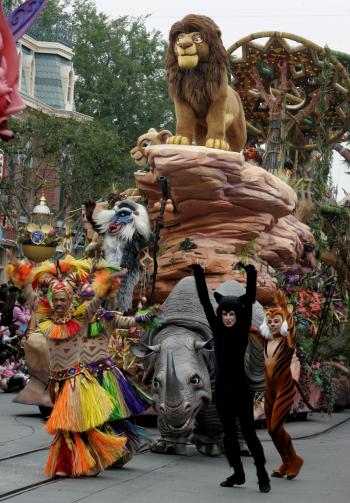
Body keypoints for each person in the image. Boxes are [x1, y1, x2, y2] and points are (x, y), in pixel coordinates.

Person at [6, 256, 127, 477]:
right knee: (66, 428)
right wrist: (22, 277)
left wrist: (105, 283)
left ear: (70, 300)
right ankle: (77, 462)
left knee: (74, 426)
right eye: (56, 300)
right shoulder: (45, 317)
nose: (59, 303)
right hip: (56, 382)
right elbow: (31, 297)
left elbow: (96, 302)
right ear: (52, 300)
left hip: (76, 381)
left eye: (63, 300)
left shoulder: (81, 318)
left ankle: (89, 460)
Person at [191, 263, 270, 493]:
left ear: (238, 315)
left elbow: (251, 297)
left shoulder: (243, 327)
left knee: (248, 433)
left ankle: (262, 474)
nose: (227, 318)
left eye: (231, 314)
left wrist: (251, 273)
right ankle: (237, 472)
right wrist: (199, 274)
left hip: (241, 390)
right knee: (228, 435)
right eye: (224, 313)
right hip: (222, 391)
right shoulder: (216, 328)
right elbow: (206, 301)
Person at [78, 282, 159, 465]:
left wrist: (147, 316)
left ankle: (117, 449)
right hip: (82, 376)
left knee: (110, 416)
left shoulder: (109, 318)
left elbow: (131, 321)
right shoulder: (75, 320)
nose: (87, 305)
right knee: (85, 418)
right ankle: (88, 452)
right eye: (83, 301)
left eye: (90, 300)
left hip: (105, 375)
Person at [252, 290, 304, 479]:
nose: (273, 325)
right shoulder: (266, 341)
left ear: (281, 323)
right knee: (272, 430)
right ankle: (286, 462)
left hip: (284, 388)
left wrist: (283, 306)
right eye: (270, 322)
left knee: (275, 427)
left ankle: (295, 460)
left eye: (276, 322)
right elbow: (251, 331)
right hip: (269, 389)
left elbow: (290, 326)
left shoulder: (287, 342)